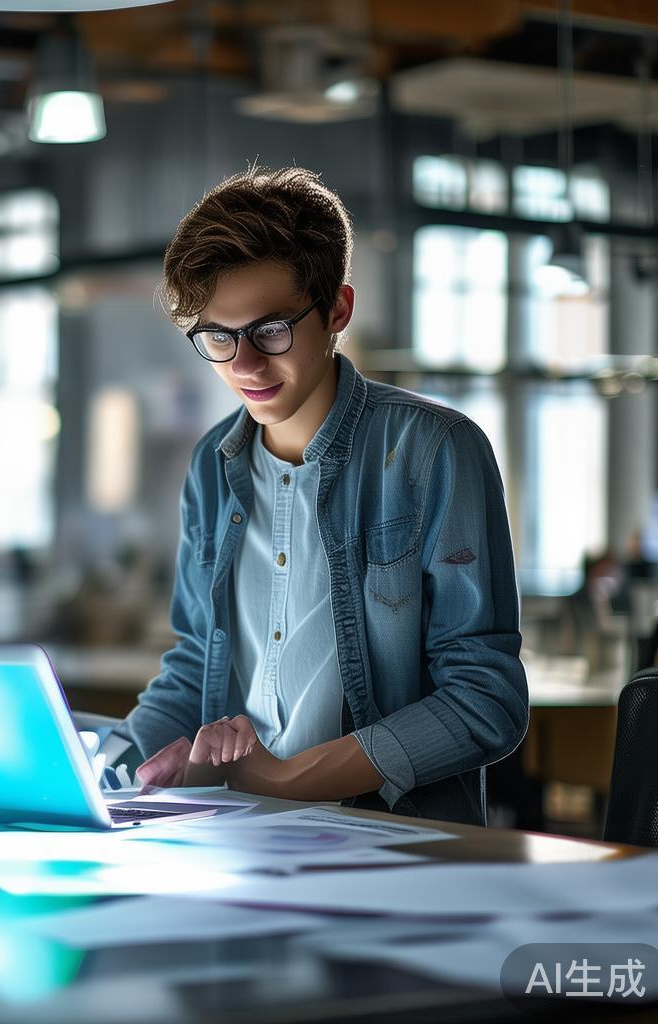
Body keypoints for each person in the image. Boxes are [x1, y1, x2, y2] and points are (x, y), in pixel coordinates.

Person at [114, 166, 528, 825]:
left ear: (337, 309)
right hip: (235, 835)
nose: (244, 364)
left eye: (271, 329)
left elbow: (485, 702)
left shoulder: (434, 450)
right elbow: (196, 663)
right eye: (219, 336)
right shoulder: (211, 464)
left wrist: (288, 780)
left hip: (390, 841)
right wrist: (108, 768)